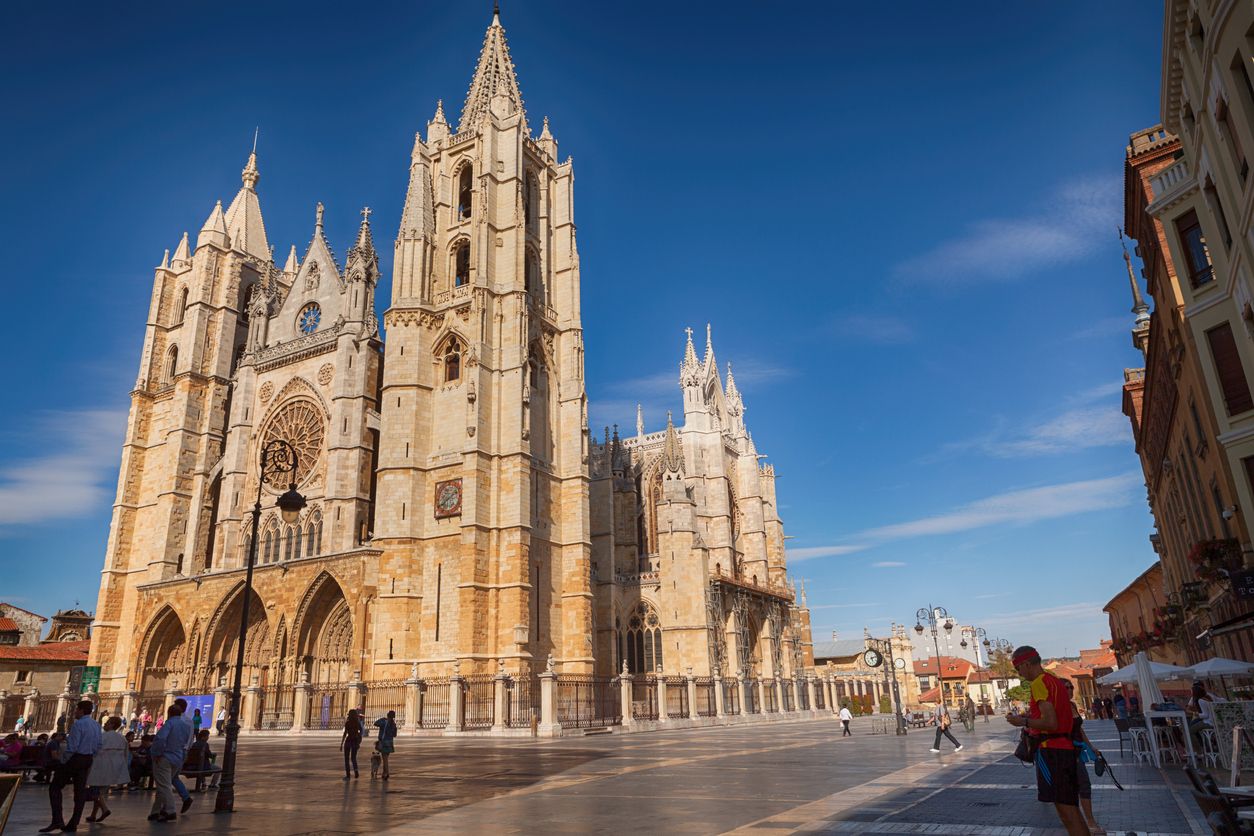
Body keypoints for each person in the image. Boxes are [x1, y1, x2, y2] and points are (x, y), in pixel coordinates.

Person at [1006, 645, 1085, 836]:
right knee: (1071, 808)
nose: (1020, 674)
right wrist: (1032, 715)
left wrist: (1022, 721)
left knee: (1066, 812)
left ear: (1025, 664)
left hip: (1052, 750)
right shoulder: (1054, 681)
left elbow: (1050, 722)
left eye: (1018, 669)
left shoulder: (1038, 683)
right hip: (1065, 747)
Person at [41, 699, 101, 833]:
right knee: (80, 792)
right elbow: (99, 745)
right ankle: (73, 823)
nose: (74, 712)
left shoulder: (78, 724)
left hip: (75, 759)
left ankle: (57, 820)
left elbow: (72, 747)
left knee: (55, 787)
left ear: (81, 710)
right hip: (87, 759)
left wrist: (63, 761)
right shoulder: (96, 725)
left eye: (76, 709)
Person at [1064, 679, 1105, 835]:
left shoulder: (1073, 705)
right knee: (1083, 784)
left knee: (1081, 785)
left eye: (1071, 687)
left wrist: (1091, 747)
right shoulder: (1059, 708)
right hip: (1068, 752)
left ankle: (1084, 821)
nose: (1070, 689)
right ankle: (1088, 822)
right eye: (1066, 687)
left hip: (1078, 750)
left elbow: (1080, 730)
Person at [147, 704, 192, 822]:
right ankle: (155, 811)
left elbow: (160, 739)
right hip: (178, 758)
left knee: (164, 785)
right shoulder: (186, 725)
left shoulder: (169, 723)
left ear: (169, 713)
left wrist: (156, 753)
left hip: (165, 758)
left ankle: (170, 810)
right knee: (163, 785)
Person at [85, 716, 129, 824]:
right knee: (100, 791)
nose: (104, 724)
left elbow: (93, 750)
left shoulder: (102, 736)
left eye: (107, 723)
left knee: (95, 790)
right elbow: (126, 754)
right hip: (114, 767)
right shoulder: (122, 738)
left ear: (112, 725)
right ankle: (93, 814)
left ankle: (105, 809)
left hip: (100, 766)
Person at [373, 710, 398, 780]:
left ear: (387, 715)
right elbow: (395, 735)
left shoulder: (384, 722)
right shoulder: (393, 724)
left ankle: (386, 773)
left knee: (385, 759)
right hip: (390, 742)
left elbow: (375, 723)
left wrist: (382, 719)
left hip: (384, 742)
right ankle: (384, 773)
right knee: (385, 758)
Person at [341, 708, 364, 779]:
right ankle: (356, 772)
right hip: (355, 741)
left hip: (348, 741)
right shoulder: (357, 723)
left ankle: (348, 775)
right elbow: (361, 731)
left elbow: (345, 733)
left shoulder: (347, 723)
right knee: (353, 758)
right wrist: (359, 738)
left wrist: (341, 743)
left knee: (346, 759)